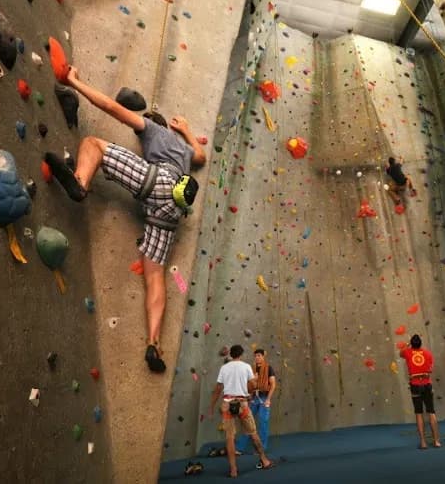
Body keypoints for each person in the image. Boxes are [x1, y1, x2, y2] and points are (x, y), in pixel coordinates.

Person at [44, 66, 207, 373]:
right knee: (154, 276)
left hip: (155, 181)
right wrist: (186, 130)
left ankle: (80, 182)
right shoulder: (185, 150)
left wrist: (74, 80)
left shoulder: (153, 130)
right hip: (173, 210)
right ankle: (154, 343)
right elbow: (201, 157)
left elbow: (111, 106)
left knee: (92, 144)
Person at [209, 345, 274, 478]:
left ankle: (233, 470)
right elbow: (253, 386)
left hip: (227, 404)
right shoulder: (246, 367)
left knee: (229, 438)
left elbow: (218, 389)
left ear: (231, 355)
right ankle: (264, 460)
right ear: (241, 354)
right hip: (243, 404)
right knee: (253, 434)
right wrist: (252, 385)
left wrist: (211, 406)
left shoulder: (224, 368)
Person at [399, 334, 441, 449]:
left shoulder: (407, 352)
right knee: (431, 412)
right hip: (427, 384)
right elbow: (430, 369)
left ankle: (423, 442)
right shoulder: (428, 354)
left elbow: (400, 352)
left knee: (419, 413)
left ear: (412, 344)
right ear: (421, 343)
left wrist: (408, 345)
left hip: (415, 384)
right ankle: (436, 441)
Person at [235, 348, 276, 454]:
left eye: (259, 355)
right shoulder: (251, 369)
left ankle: (261, 448)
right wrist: (249, 397)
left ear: (263, 356)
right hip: (253, 398)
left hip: (263, 398)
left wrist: (268, 400)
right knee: (247, 422)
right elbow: (249, 386)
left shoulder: (269, 368)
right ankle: (239, 448)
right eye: (256, 356)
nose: (257, 357)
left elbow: (273, 384)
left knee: (263, 422)